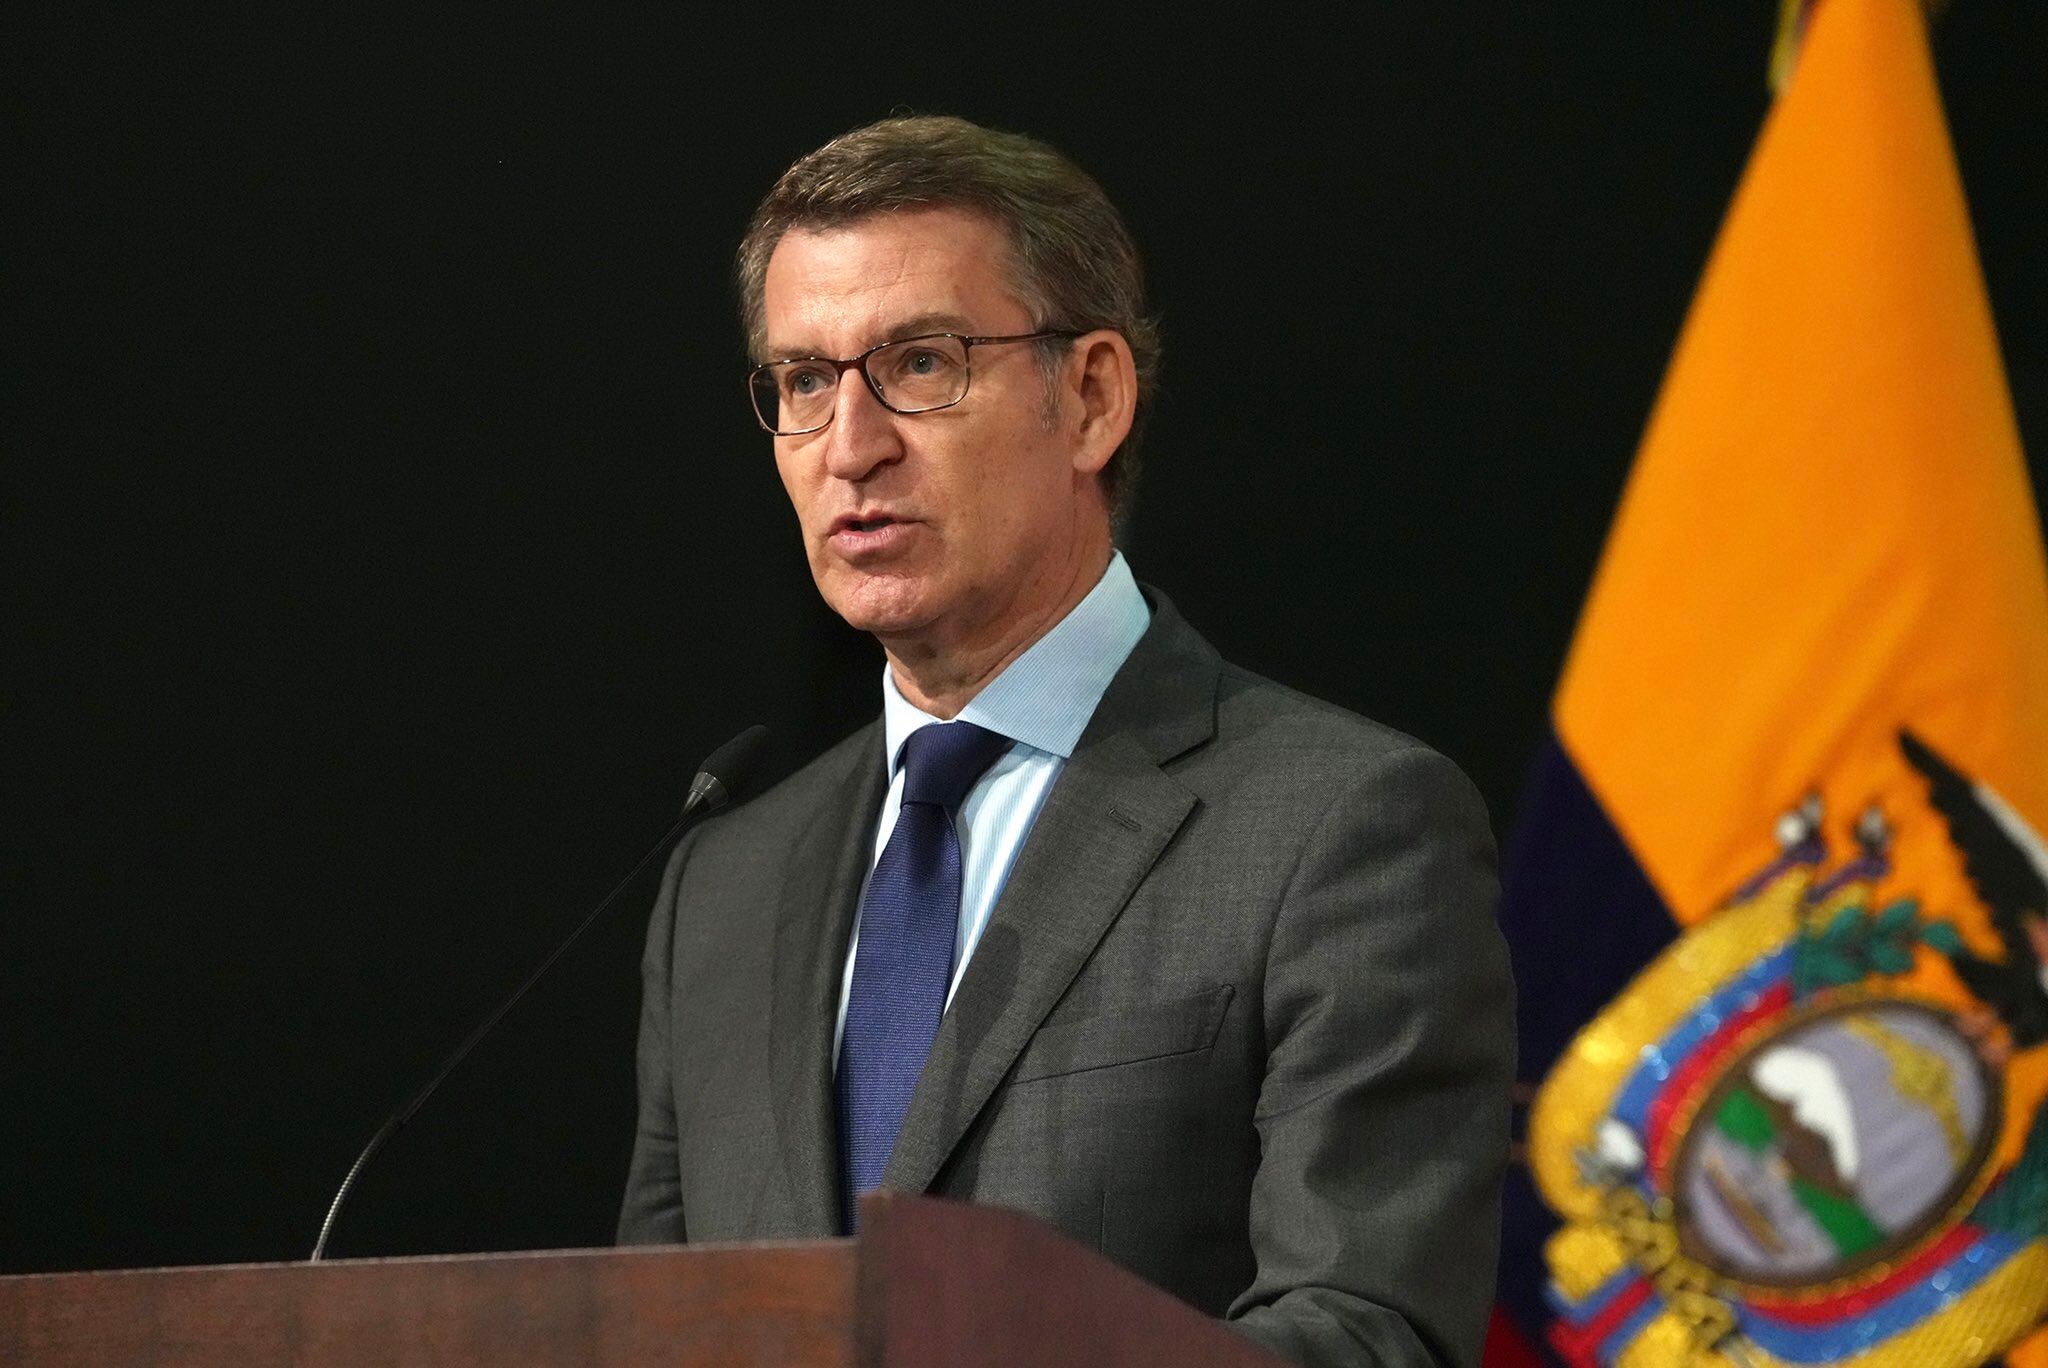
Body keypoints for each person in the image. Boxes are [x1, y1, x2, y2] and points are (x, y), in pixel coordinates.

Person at [617, 114, 1514, 1368]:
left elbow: (1371, 1335)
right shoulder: (723, 881)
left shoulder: (1342, 826)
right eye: (805, 381)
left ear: (1089, 398)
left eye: (919, 363)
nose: (850, 446)